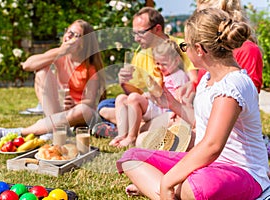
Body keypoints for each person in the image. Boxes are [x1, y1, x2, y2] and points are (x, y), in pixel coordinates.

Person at [116, 8, 270, 199]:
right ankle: (171, 191)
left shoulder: (233, 85)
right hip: (207, 164)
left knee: (197, 187)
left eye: (184, 46)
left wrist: (168, 180)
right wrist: (174, 105)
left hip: (241, 171)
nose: (184, 51)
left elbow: (212, 146)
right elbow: (201, 125)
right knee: (131, 158)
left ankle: (164, 188)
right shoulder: (207, 79)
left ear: (199, 49)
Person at [0, 19, 105, 141]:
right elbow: (27, 65)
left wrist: (75, 104)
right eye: (68, 32)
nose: (69, 36)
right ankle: (54, 129)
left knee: (84, 110)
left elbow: (90, 101)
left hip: (78, 113)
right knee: (41, 71)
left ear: (84, 42)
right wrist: (60, 51)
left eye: (75, 35)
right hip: (58, 111)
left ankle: (22, 132)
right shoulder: (59, 55)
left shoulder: (90, 67)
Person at [92, 7, 197, 137]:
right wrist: (124, 83)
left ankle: (129, 128)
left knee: (119, 111)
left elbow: (194, 81)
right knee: (105, 105)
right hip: (148, 104)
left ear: (157, 29)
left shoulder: (180, 47)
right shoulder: (141, 54)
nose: (136, 39)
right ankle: (138, 126)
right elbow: (134, 94)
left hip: (169, 107)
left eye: (140, 33)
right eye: (134, 33)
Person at [109, 39, 189, 147]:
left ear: (176, 61)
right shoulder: (165, 74)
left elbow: (180, 98)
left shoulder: (179, 76)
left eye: (164, 64)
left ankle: (131, 137)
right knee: (121, 99)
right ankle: (121, 135)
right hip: (158, 106)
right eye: (157, 64)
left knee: (133, 98)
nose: (160, 67)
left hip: (167, 111)